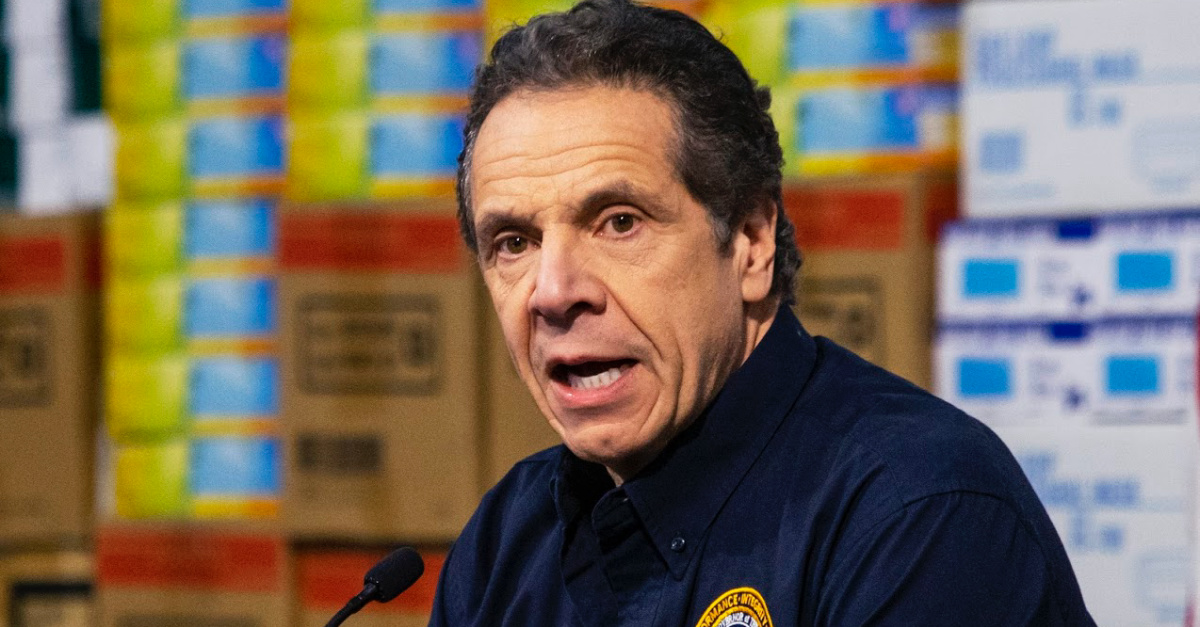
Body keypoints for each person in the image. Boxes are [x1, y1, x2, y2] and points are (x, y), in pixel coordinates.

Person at [430, 0, 1096, 624]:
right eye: (513, 243)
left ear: (751, 243)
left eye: (619, 222)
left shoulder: (919, 515)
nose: (552, 291)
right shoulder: (506, 540)